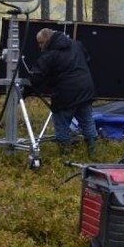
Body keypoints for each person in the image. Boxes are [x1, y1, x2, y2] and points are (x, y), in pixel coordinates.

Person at [30, 28, 98, 156]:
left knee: (62, 125)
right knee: (87, 122)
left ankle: (65, 157)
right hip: (85, 89)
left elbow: (37, 76)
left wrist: (27, 88)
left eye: (41, 43)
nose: (39, 46)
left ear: (48, 39)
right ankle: (93, 154)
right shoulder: (76, 44)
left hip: (65, 94)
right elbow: (88, 60)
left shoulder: (50, 54)